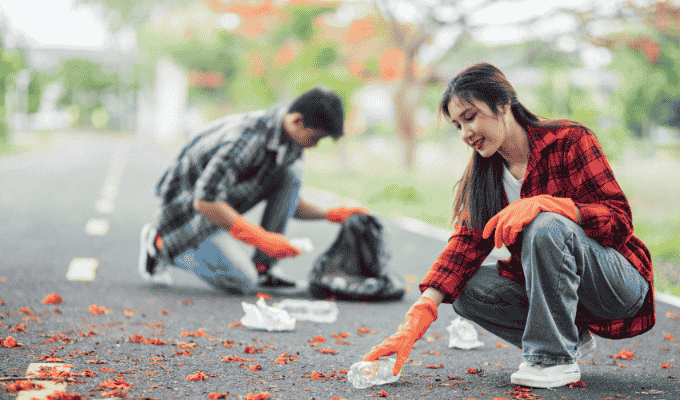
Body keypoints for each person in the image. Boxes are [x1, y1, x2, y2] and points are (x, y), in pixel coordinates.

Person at [361, 63, 654, 388]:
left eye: (469, 117)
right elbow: (463, 248)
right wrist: (414, 321)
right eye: (457, 125)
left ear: (503, 104)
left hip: (615, 284)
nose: (464, 133)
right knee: (464, 290)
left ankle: (553, 359)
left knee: (546, 224)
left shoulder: (569, 139)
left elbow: (619, 221)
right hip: (559, 296)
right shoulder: (486, 176)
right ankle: (570, 338)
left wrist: (553, 206)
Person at [138, 87, 370, 293]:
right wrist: (262, 239)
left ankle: (264, 269)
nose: (316, 145)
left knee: (291, 175)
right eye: (316, 138)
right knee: (241, 281)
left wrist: (330, 215)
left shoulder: (289, 139)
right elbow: (204, 201)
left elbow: (289, 202)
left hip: (218, 202)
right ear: (298, 120)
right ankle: (160, 245)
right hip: (185, 215)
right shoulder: (248, 138)